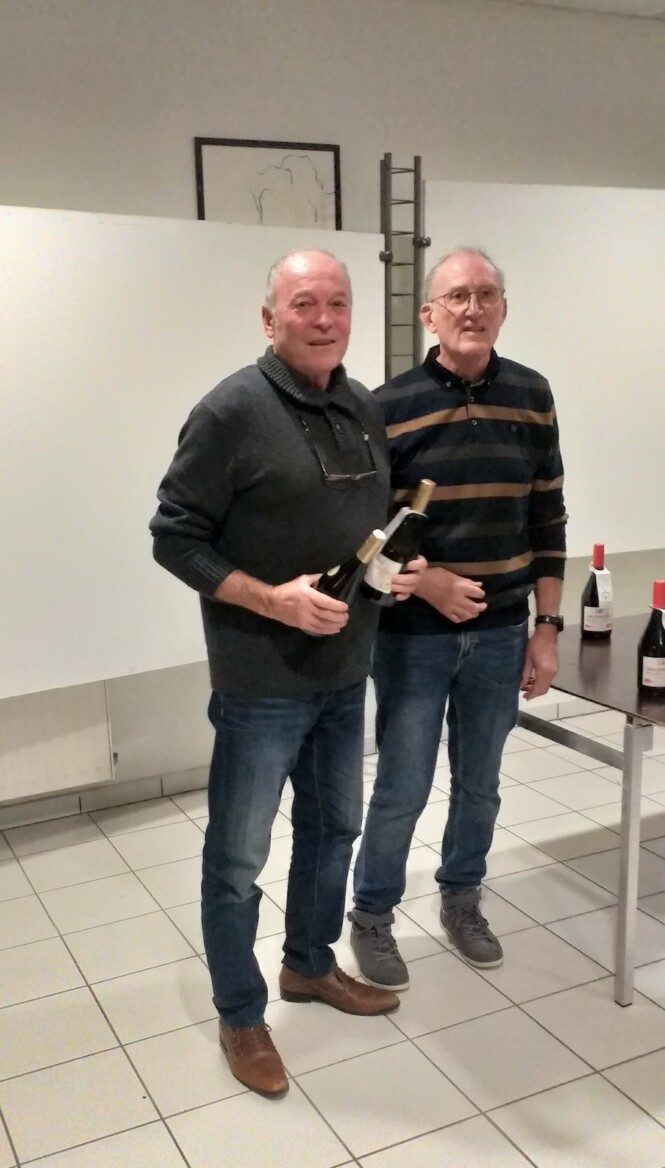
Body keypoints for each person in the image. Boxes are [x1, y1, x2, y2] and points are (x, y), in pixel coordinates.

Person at [150, 249, 424, 1099]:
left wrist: (390, 574)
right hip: (260, 681)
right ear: (269, 319)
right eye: (304, 304)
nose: (324, 319)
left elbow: (363, 530)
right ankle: (241, 1013)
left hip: (344, 671)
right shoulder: (229, 411)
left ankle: (308, 963)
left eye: (337, 303)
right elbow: (173, 537)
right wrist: (271, 600)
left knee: (333, 830)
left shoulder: (360, 404)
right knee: (238, 858)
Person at [349, 247, 567, 987]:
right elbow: (368, 541)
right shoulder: (386, 406)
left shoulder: (532, 394)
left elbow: (548, 518)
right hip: (413, 637)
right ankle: (371, 914)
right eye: (456, 297)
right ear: (427, 315)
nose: (472, 308)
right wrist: (430, 582)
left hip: (503, 630)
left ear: (503, 307)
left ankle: (462, 897)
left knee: (481, 782)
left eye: (485, 294)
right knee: (402, 784)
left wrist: (545, 628)